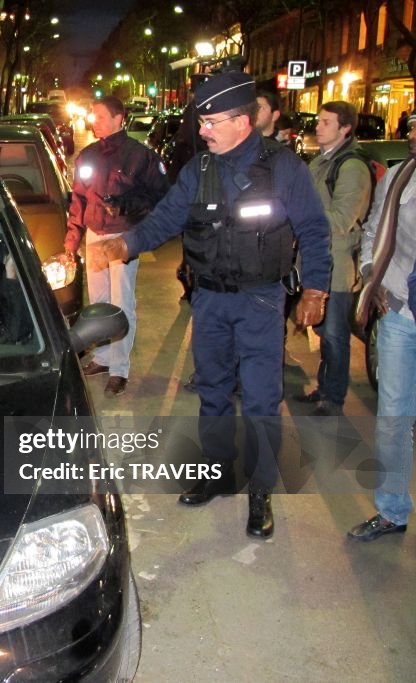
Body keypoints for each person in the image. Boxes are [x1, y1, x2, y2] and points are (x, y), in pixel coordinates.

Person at [89, 70, 331, 538]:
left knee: (261, 398)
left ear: (243, 121)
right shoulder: (199, 170)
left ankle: (260, 492)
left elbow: (315, 232)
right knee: (214, 392)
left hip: (261, 301)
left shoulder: (283, 167)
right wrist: (125, 245)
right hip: (210, 301)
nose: (203, 130)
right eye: (202, 121)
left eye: (212, 121)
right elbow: (166, 219)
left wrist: (315, 290)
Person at [67, 95, 169, 398]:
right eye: (92, 116)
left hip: (124, 238)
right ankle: (102, 358)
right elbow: (78, 201)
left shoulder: (141, 157)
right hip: (95, 235)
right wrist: (72, 242)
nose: (93, 122)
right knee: (98, 301)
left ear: (118, 118)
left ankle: (119, 369)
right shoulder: (87, 156)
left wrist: (126, 207)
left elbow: (161, 198)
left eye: (99, 116)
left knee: (121, 301)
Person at [348, 122, 416, 542]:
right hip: (401, 313)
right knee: (393, 417)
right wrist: (372, 274)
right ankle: (392, 509)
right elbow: (374, 229)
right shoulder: (400, 175)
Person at [295, 101, 373, 416]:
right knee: (324, 332)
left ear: (345, 128)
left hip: (337, 265)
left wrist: (299, 213)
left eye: (326, 122)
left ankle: (333, 396)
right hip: (314, 260)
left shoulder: (351, 167)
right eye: (319, 120)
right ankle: (324, 388)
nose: (318, 125)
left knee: (335, 335)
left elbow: (342, 218)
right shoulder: (320, 162)